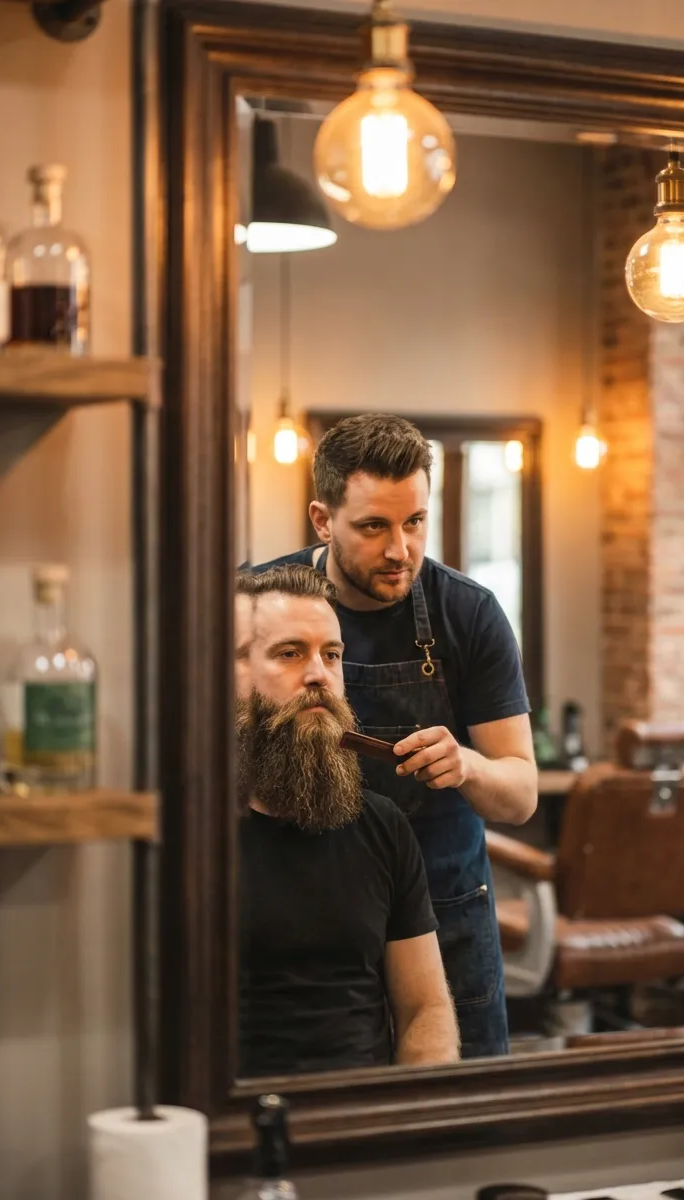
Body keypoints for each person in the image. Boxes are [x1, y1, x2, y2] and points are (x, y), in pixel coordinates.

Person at [243, 414, 537, 1058]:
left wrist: (469, 766)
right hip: (313, 914)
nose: (400, 549)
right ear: (322, 520)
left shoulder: (468, 613)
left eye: (415, 523)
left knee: (461, 1118)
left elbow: (520, 796)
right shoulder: (270, 602)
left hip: (445, 905)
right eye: (374, 526)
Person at [234, 563, 460, 1077]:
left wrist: (419, 1107)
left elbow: (425, 1008)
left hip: (366, 1116)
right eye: (290, 653)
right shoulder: (190, 837)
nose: (319, 674)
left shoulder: (383, 826)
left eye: (331, 655)